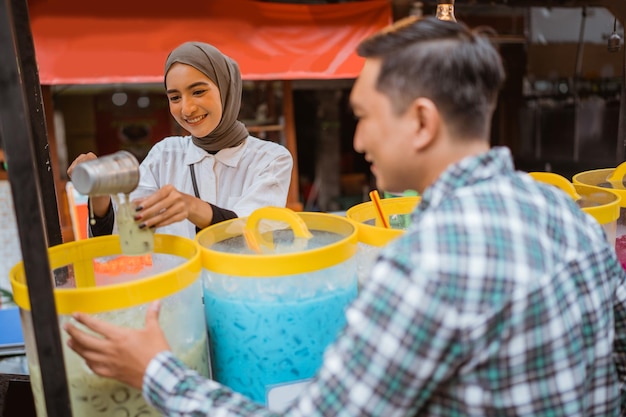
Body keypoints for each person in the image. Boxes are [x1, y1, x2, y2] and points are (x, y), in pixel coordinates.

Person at [64, 16, 626, 416]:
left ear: (422, 122)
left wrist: (155, 371)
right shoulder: (565, 211)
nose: (356, 139)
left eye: (362, 116)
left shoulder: (425, 263)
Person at [67, 42, 293, 240]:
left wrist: (194, 207)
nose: (186, 108)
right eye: (175, 97)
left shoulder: (271, 159)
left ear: (226, 89)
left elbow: (256, 231)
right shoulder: (164, 155)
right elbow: (127, 230)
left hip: (238, 287)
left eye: (198, 92)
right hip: (179, 287)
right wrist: (99, 193)